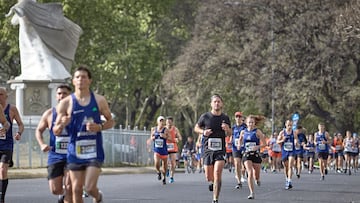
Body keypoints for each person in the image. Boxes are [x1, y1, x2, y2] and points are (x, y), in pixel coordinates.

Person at [53, 66, 115, 203]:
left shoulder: (99, 100)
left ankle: (98, 197)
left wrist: (99, 127)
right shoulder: (65, 103)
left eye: (84, 77)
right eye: (78, 77)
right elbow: (55, 131)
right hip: (74, 151)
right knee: (76, 189)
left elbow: (111, 121)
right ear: (73, 81)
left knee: (89, 187)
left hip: (94, 151)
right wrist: (62, 124)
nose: (81, 79)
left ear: (89, 81)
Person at [35, 84, 72, 203]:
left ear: (70, 96)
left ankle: (72, 193)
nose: (61, 96)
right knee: (55, 190)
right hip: (55, 155)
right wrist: (42, 144)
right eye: (59, 93)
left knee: (69, 186)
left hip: (73, 155)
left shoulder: (76, 113)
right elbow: (39, 130)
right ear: (56, 96)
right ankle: (66, 194)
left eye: (64, 93)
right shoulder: (49, 114)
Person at [194, 94, 231, 203]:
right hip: (207, 149)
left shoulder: (225, 118)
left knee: (217, 172)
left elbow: (230, 133)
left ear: (222, 104)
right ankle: (212, 182)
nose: (217, 103)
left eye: (219, 101)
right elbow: (196, 128)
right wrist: (203, 132)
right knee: (209, 176)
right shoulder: (205, 117)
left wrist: (227, 129)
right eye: (215, 101)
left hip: (220, 150)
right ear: (211, 104)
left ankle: (215, 198)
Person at [0, 87, 24, 203]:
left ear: (6, 96)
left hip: (6, 144)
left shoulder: (12, 109)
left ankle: (1, 198)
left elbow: (20, 124)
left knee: (2, 170)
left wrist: (19, 133)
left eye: (1, 94)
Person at [238, 115, 266, 199]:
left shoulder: (257, 132)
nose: (250, 124)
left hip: (256, 154)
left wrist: (257, 147)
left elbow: (264, 144)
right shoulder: (243, 132)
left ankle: (257, 179)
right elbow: (240, 139)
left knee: (256, 175)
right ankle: (251, 192)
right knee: (249, 172)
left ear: (254, 123)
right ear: (246, 123)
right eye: (249, 122)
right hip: (247, 154)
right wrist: (239, 145)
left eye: (252, 122)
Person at [277, 120, 298, 190]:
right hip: (284, 151)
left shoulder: (294, 132)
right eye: (288, 125)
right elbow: (277, 141)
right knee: (286, 167)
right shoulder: (282, 132)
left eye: (291, 125)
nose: (289, 127)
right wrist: (282, 140)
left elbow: (296, 140)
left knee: (290, 166)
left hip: (291, 151)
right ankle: (287, 178)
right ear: (285, 125)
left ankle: (289, 181)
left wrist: (295, 142)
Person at [150, 116, 171, 185]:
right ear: (157, 122)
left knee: (164, 166)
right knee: (156, 163)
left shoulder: (166, 130)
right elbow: (151, 137)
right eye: (160, 121)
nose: (162, 122)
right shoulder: (153, 129)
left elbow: (170, 138)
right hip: (157, 150)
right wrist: (154, 137)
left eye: (163, 121)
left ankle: (164, 177)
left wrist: (164, 136)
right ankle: (158, 172)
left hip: (164, 151)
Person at [230, 112, 247, 189]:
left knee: (244, 165)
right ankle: (239, 182)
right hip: (235, 147)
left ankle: (243, 174)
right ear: (235, 118)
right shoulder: (233, 127)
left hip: (244, 148)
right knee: (237, 163)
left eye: (239, 117)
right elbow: (231, 135)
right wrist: (230, 140)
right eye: (237, 117)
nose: (238, 118)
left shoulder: (245, 127)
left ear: (242, 118)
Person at [165, 116, 182, 183]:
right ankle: (166, 170)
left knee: (173, 163)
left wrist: (177, 139)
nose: (168, 123)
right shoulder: (164, 129)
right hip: (165, 147)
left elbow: (180, 137)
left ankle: (171, 177)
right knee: (165, 162)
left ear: (172, 122)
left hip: (173, 147)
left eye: (170, 122)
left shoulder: (175, 129)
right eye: (167, 122)